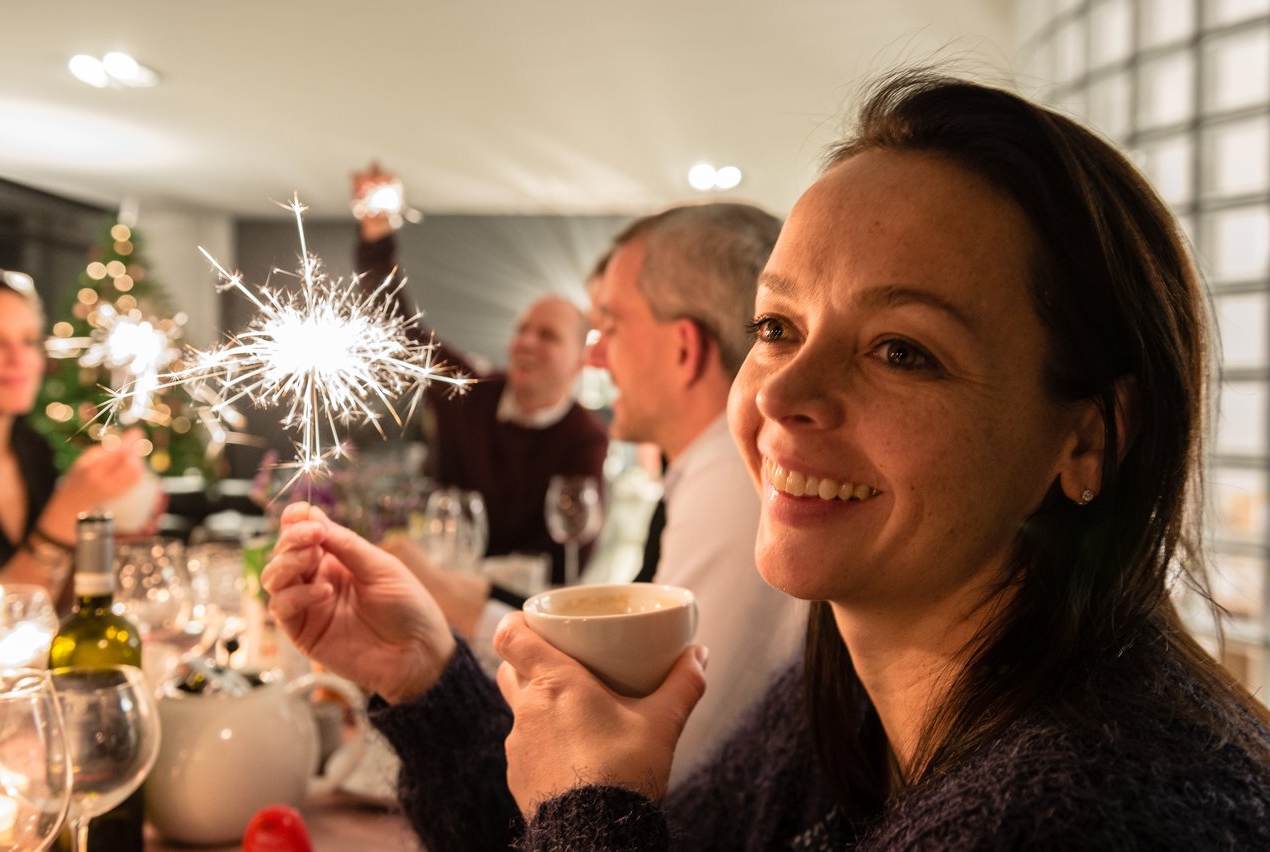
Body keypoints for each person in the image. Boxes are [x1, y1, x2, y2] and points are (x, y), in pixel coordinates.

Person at [263, 71, 1270, 850]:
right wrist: (431, 679)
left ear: (1085, 437)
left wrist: (589, 803)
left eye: (900, 350)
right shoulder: (841, 713)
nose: (779, 394)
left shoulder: (1080, 811)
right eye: (778, 326)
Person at [385, 201, 805, 782]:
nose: (595, 355)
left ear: (684, 350)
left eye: (610, 326)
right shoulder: (711, 475)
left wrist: (456, 626)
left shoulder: (734, 489)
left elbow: (658, 756)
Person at [352, 165, 609, 584]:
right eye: (522, 329)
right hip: (441, 590)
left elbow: (567, 559)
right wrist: (377, 239)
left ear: (581, 359)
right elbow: (399, 329)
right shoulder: (471, 393)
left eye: (547, 335)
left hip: (525, 611)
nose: (526, 342)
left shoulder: (584, 437)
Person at [0, 268, 147, 603]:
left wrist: (103, 530)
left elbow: (55, 601)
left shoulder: (32, 451)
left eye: (29, 341)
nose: (19, 359)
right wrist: (67, 512)